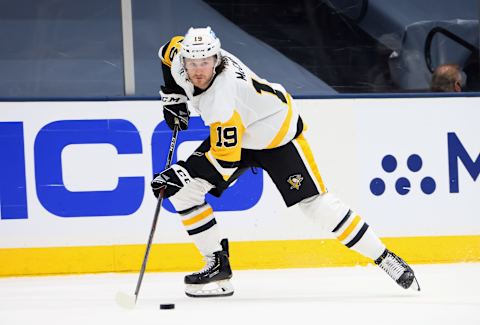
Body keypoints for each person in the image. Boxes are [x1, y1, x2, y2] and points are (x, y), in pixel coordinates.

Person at [152, 26, 420, 297]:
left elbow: (225, 161)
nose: (198, 71)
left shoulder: (222, 99)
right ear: (184, 59)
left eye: (205, 63)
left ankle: (384, 257)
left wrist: (181, 172)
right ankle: (218, 269)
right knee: (185, 193)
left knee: (316, 205)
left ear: (217, 59)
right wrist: (172, 97)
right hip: (237, 134)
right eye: (192, 63)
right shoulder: (178, 58)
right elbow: (165, 51)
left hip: (275, 135)